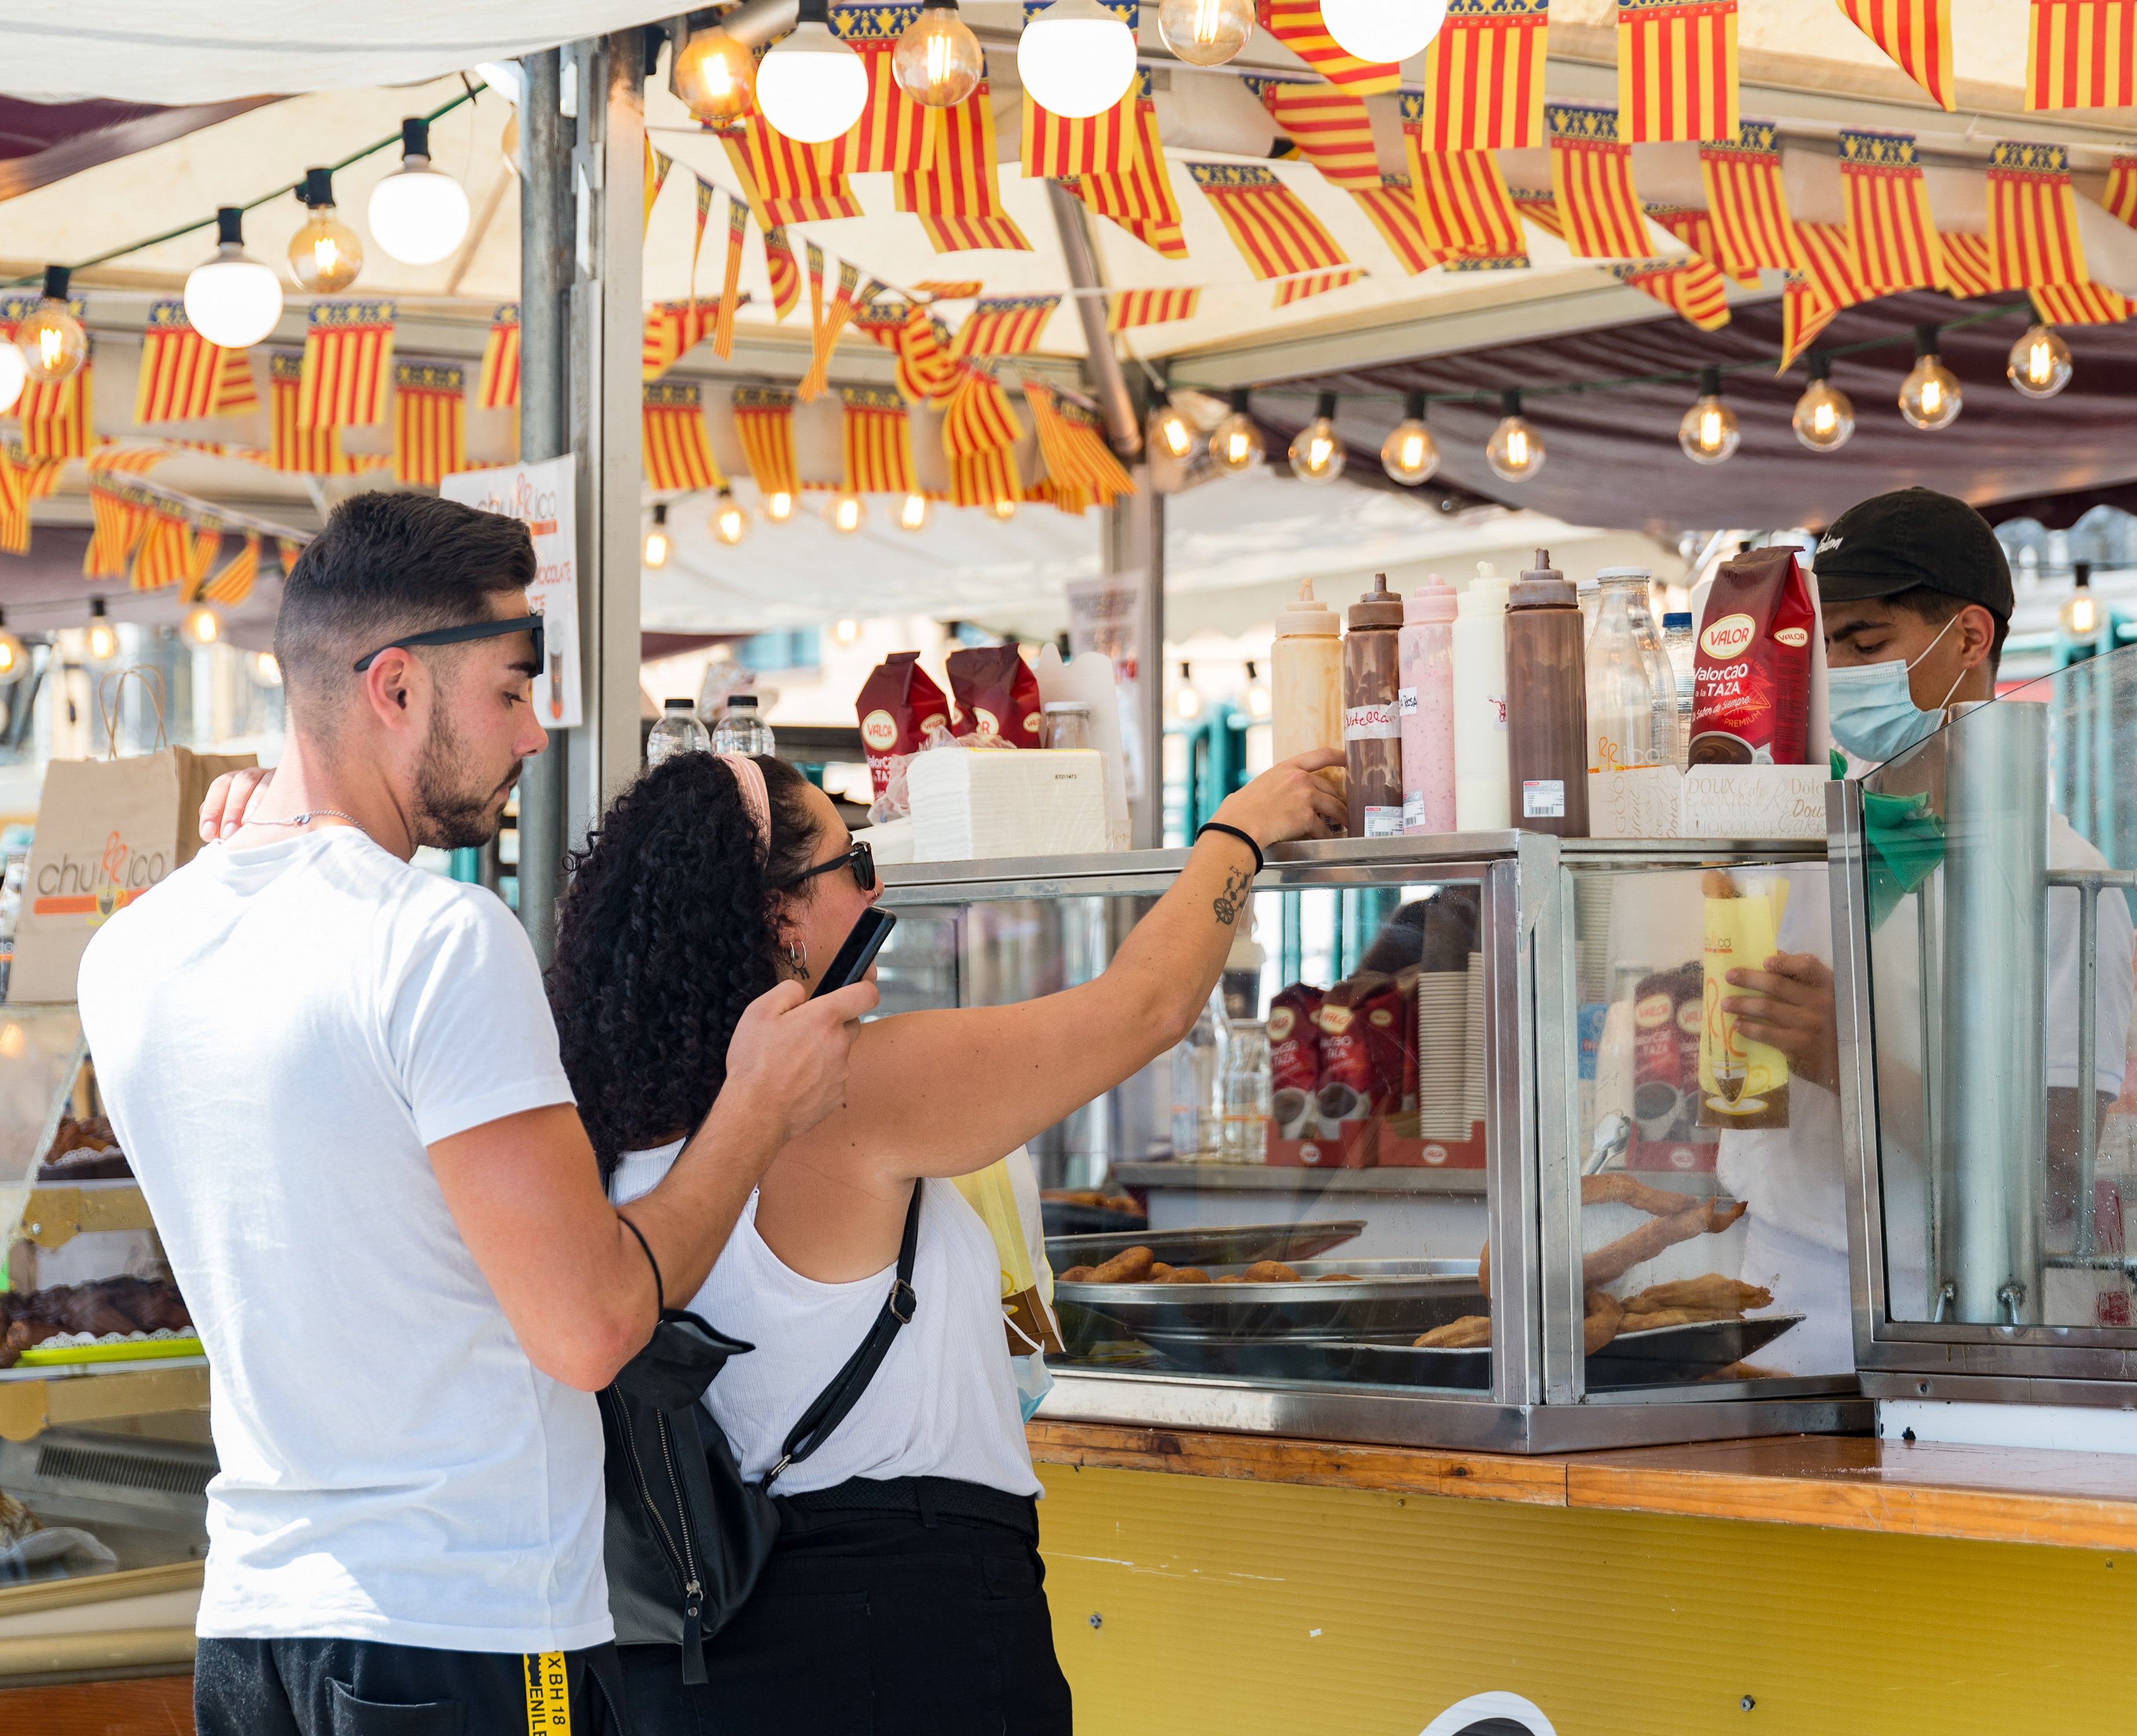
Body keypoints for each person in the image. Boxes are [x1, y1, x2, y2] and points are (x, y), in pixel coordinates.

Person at [82, 493, 877, 1735]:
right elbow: (593, 1327)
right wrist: (757, 1113)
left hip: (251, 1630)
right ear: (395, 688)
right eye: (512, 689)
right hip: (462, 1630)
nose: (535, 732)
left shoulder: (132, 953)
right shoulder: (438, 940)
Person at [542, 742, 1343, 1734]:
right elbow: (1142, 1008)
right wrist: (1239, 832)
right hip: (901, 1619)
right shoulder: (853, 1087)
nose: (877, 894)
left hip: (689, 1650)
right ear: (778, 914)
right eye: (857, 865)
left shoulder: (599, 1121)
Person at [1720, 487, 2134, 1339]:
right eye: (1823, 644)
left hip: (1955, 1306)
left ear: (1970, 638)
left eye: (1866, 641)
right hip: (1772, 1280)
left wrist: (1848, 1054)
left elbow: (2055, 1171)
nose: (1838, 669)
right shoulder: (1791, 840)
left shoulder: (2059, 879)